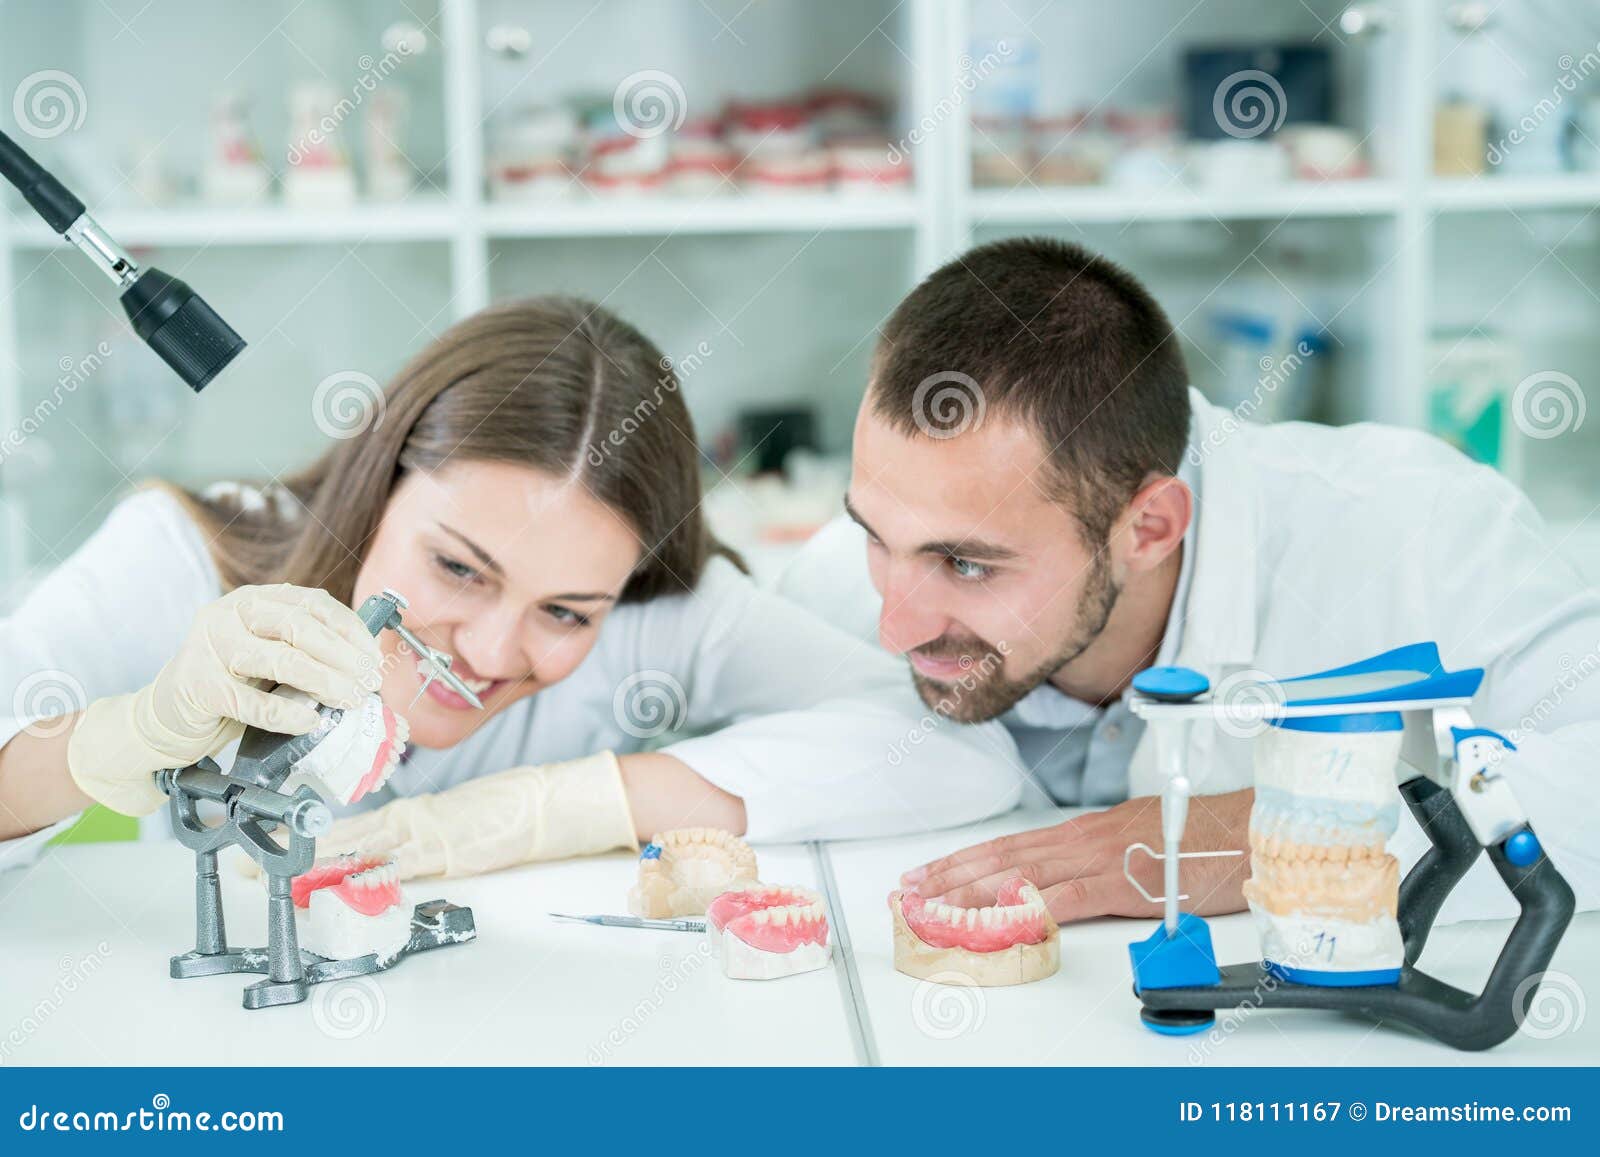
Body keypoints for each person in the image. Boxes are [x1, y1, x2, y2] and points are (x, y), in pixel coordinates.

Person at [0, 297, 1024, 876]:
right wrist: (124, 733)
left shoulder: (655, 623)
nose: (489, 652)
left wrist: (581, 801)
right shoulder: (185, 558)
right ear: (377, 482)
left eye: (565, 612)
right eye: (457, 566)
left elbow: (958, 751)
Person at [779, 236, 1600, 926]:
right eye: (874, 535)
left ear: (1149, 528)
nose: (896, 626)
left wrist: (1258, 834)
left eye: (967, 564)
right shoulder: (835, 585)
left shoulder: (1423, 531)